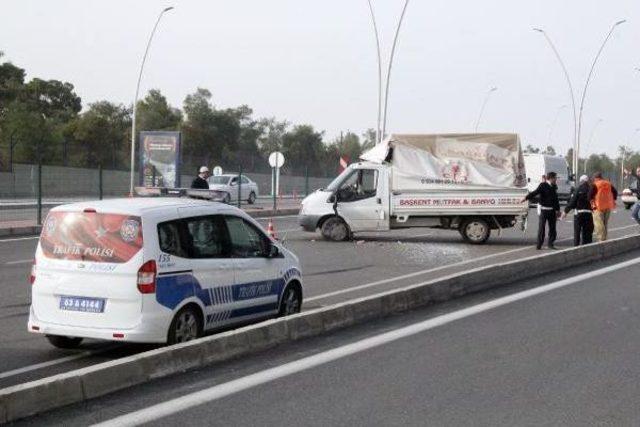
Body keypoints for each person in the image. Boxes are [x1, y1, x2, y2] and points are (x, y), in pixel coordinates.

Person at [522, 171, 560, 250]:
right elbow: (535, 192)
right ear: (551, 178)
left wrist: (558, 210)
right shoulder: (543, 185)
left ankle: (550, 244)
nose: (556, 179)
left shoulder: (554, 186)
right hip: (544, 210)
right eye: (555, 178)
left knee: (552, 228)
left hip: (552, 211)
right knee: (541, 228)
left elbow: (556, 199)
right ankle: (539, 244)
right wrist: (526, 198)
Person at [561, 175, 593, 246]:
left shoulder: (578, 189)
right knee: (587, 233)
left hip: (579, 214)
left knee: (577, 232)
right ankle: (587, 247)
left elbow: (572, 202)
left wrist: (565, 211)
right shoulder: (591, 189)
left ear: (581, 181)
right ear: (587, 181)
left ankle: (576, 247)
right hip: (589, 214)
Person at [589, 172, 617, 241]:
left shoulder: (595, 184)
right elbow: (615, 193)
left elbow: (589, 196)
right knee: (605, 224)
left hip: (598, 207)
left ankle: (601, 239)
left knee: (598, 224)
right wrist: (612, 199)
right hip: (608, 206)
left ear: (595, 178)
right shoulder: (608, 183)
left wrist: (592, 203)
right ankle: (605, 238)